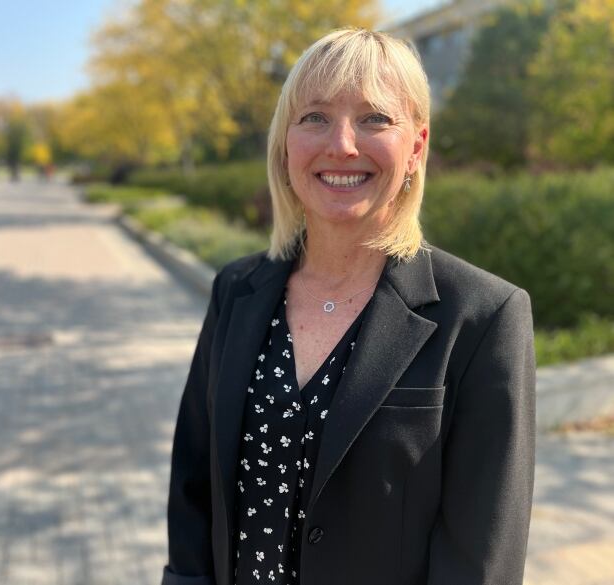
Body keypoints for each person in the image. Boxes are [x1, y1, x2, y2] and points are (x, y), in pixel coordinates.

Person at [162, 29, 535, 585]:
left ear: (416, 147)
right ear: (285, 143)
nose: (341, 144)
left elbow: (481, 557)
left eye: (374, 119)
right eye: (314, 117)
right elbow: (193, 489)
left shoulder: (483, 316)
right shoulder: (236, 290)